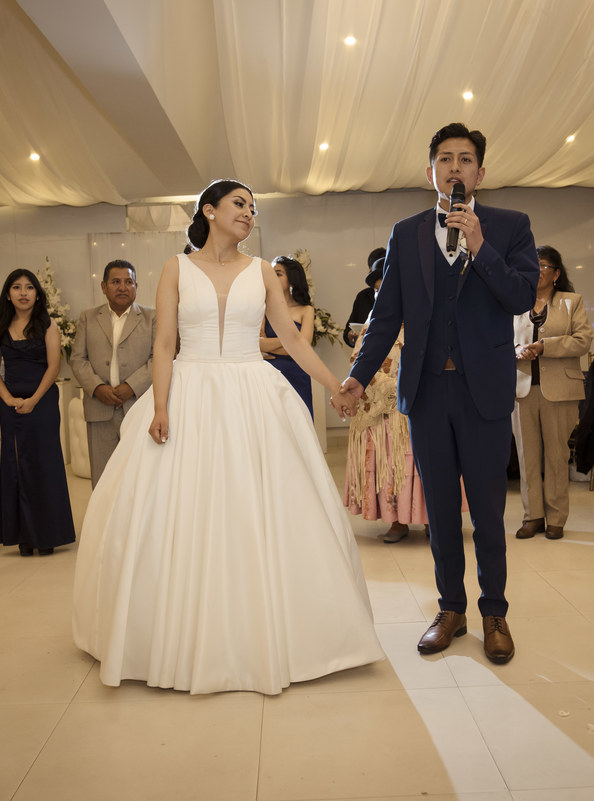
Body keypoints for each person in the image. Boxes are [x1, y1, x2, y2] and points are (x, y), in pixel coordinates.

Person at [72, 179, 384, 695]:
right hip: (189, 388)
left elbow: (288, 338)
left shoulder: (262, 271)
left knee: (259, 505)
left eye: (253, 208)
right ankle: (175, 634)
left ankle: (279, 632)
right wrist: (163, 405)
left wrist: (337, 384)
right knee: (183, 509)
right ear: (209, 211)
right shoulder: (176, 268)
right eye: (240, 204)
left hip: (250, 388)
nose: (248, 213)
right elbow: (166, 341)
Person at [344, 122, 538, 664]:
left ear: (480, 171)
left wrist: (479, 244)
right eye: (445, 158)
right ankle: (450, 608)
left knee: (488, 510)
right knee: (441, 513)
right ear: (430, 170)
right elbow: (386, 316)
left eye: (466, 159)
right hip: (427, 393)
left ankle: (494, 613)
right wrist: (358, 376)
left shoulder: (510, 225)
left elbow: (521, 296)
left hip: (485, 393)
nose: (455, 167)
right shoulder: (406, 233)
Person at [0, 270, 76, 556]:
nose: (23, 292)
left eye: (29, 287)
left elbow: (54, 367)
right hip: (11, 403)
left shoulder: (48, 325)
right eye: (16, 287)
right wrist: (9, 399)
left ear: (38, 293)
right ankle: (23, 535)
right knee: (14, 466)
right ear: (8, 293)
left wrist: (33, 400)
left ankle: (47, 534)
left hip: (42, 402)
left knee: (43, 464)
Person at [511, 246, 593, 540]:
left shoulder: (572, 302)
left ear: (556, 274)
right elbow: (497, 340)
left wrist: (546, 347)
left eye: (543, 265)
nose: (537, 270)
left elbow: (583, 340)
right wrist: (516, 350)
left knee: (557, 456)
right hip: (522, 389)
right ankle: (532, 516)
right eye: (531, 265)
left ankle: (556, 518)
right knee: (526, 457)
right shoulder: (514, 303)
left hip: (560, 390)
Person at [70, 260, 155, 487]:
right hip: (100, 409)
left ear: (136, 285)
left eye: (128, 282)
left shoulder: (152, 317)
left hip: (139, 407)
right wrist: (98, 388)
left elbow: (159, 359)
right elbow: (78, 359)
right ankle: (103, 524)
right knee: (103, 479)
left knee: (140, 477)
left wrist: (131, 386)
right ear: (103, 287)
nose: (122, 287)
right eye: (115, 282)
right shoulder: (88, 317)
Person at [259, 255, 315, 415]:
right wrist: (293, 341)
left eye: (278, 273)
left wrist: (270, 345)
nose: (272, 277)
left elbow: (304, 346)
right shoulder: (263, 308)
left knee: (300, 421)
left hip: (297, 372)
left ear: (292, 279)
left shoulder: (306, 310)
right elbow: (257, 343)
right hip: (271, 372)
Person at [343, 248, 385, 347]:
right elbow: (348, 331)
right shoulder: (363, 297)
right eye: (376, 290)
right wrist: (352, 336)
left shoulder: (405, 301)